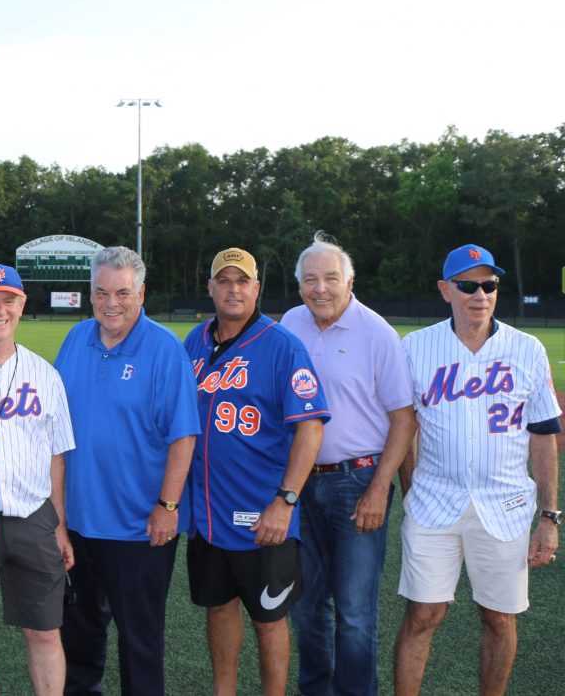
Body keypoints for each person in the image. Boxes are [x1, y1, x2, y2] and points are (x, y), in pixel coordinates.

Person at [393, 244, 561, 696]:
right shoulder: (416, 347)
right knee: (422, 615)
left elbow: (544, 435)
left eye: (489, 285)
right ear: (445, 290)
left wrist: (549, 517)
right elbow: (403, 425)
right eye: (467, 285)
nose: (479, 294)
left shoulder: (526, 349)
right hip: (433, 502)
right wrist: (410, 486)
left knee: (498, 618)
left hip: (504, 504)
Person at [53, 245, 200, 696]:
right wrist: (57, 520)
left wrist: (167, 506)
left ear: (141, 293)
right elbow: (54, 431)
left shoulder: (163, 349)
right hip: (78, 523)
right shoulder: (77, 339)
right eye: (101, 292)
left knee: (140, 643)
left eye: (121, 292)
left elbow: (184, 436)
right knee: (78, 637)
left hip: (139, 527)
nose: (110, 303)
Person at [183, 247, 329, 696]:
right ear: (210, 288)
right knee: (219, 609)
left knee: (269, 619)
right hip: (207, 512)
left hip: (262, 514)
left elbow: (309, 429)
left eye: (242, 281)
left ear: (256, 289)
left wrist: (285, 502)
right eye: (223, 280)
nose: (233, 289)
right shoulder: (193, 342)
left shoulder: (282, 345)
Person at [280, 232, 416, 696]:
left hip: (356, 481)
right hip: (298, 484)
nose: (320, 288)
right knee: (306, 605)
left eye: (331, 279)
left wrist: (379, 488)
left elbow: (403, 419)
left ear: (350, 281)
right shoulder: (289, 325)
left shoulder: (377, 333)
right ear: (298, 284)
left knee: (356, 610)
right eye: (310, 279)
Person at [0, 263, 76, 696]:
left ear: (22, 305)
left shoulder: (45, 374)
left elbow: (56, 457)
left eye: (8, 299)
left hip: (32, 518)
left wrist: (59, 526)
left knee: (45, 632)